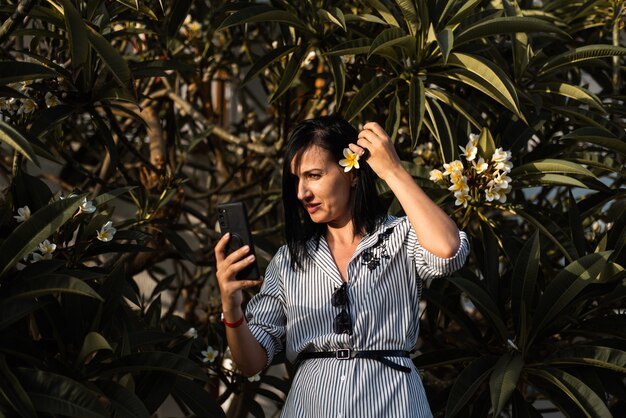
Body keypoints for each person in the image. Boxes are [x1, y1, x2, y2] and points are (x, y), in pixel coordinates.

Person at [215, 115, 469, 417]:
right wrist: (231, 309)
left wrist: (393, 170)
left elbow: (447, 250)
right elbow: (251, 363)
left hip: (394, 403)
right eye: (296, 179)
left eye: (313, 175)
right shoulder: (289, 260)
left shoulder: (402, 236)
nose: (301, 193)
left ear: (351, 173)